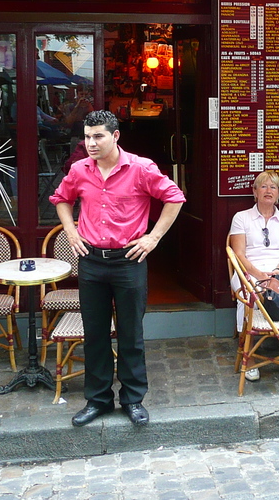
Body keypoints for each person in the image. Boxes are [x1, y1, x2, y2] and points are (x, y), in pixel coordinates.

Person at [51, 109, 185, 427]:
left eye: (98, 136)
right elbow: (61, 198)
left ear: (115, 136)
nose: (91, 143)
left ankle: (133, 399)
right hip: (92, 262)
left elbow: (175, 198)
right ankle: (98, 400)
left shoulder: (141, 168)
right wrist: (70, 231)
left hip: (129, 261)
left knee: (131, 335)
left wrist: (153, 238)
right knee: (94, 333)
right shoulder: (80, 169)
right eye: (87, 136)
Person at [228, 171, 279, 382]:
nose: (268, 191)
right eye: (263, 186)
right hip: (249, 270)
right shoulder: (241, 217)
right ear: (255, 192)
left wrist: (276, 273)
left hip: (278, 270)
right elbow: (239, 254)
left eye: (273, 187)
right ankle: (250, 355)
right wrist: (258, 274)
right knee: (250, 296)